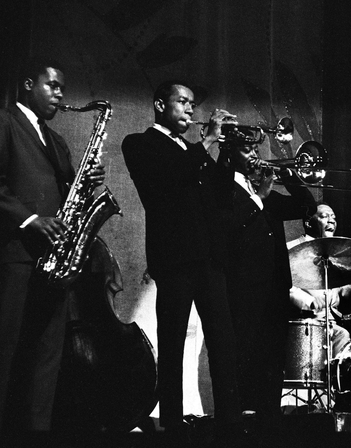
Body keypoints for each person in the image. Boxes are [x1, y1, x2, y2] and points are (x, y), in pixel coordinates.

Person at [0, 57, 105, 445]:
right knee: (3, 355)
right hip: (17, 255)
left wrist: (86, 180)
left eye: (62, 88)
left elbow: (67, 197)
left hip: (54, 261)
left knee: (47, 358)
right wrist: (31, 220)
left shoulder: (57, 140)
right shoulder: (1, 121)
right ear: (28, 84)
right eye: (53, 86)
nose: (60, 95)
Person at [121, 80, 243, 443]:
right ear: (160, 104)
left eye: (193, 104)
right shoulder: (140, 144)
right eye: (183, 102)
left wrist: (226, 152)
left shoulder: (193, 149)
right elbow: (167, 182)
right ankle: (172, 425)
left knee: (223, 342)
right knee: (172, 343)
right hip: (175, 260)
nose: (191, 109)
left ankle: (231, 424)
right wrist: (205, 143)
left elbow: (221, 198)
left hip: (208, 260)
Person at [219, 141, 315, 429]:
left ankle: (269, 423)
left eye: (255, 150)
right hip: (243, 288)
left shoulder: (265, 193)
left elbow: (306, 207)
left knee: (273, 359)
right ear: (230, 154)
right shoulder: (224, 188)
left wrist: (291, 178)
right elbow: (231, 229)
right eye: (246, 150)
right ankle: (238, 425)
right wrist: (259, 197)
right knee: (243, 355)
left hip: (275, 289)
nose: (254, 156)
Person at [287, 203, 351, 359]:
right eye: (325, 216)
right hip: (302, 323)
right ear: (308, 222)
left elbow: (335, 289)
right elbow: (282, 285)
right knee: (341, 336)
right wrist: (309, 300)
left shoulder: (335, 254)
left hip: (332, 323)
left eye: (334, 217)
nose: (331, 221)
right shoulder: (290, 249)